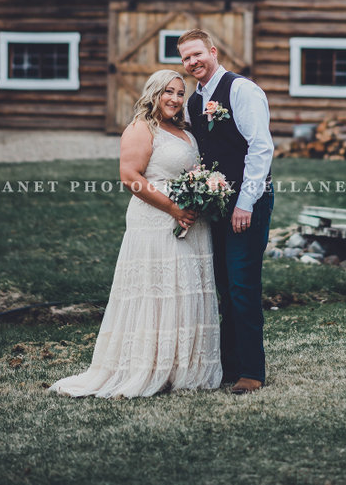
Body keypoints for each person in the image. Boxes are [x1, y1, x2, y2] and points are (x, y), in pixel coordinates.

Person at [48, 69, 222, 398]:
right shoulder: (141, 128)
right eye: (167, 92)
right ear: (153, 94)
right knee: (158, 291)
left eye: (180, 93)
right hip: (157, 220)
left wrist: (202, 194)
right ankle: (148, 367)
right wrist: (173, 209)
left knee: (184, 289)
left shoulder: (184, 130)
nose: (174, 98)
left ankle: (181, 369)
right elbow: (130, 176)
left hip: (191, 221)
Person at [178, 29, 274, 395]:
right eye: (186, 58)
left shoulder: (240, 90)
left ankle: (252, 371)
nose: (192, 63)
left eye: (197, 54)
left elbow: (261, 148)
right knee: (223, 287)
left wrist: (245, 203)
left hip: (248, 204)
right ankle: (230, 365)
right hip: (215, 206)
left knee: (242, 284)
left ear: (213, 52)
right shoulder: (194, 100)